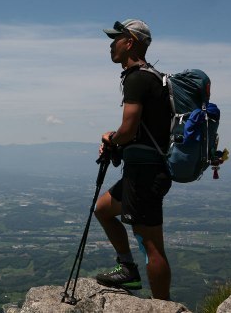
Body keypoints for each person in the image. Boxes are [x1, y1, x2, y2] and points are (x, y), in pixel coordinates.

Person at [94, 19, 172, 300]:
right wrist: (118, 139)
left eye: (116, 39)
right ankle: (128, 268)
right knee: (103, 209)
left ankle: (163, 306)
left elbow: (128, 129)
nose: (110, 45)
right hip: (142, 171)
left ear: (130, 42)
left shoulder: (137, 78)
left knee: (151, 245)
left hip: (146, 175)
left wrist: (111, 139)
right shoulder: (151, 76)